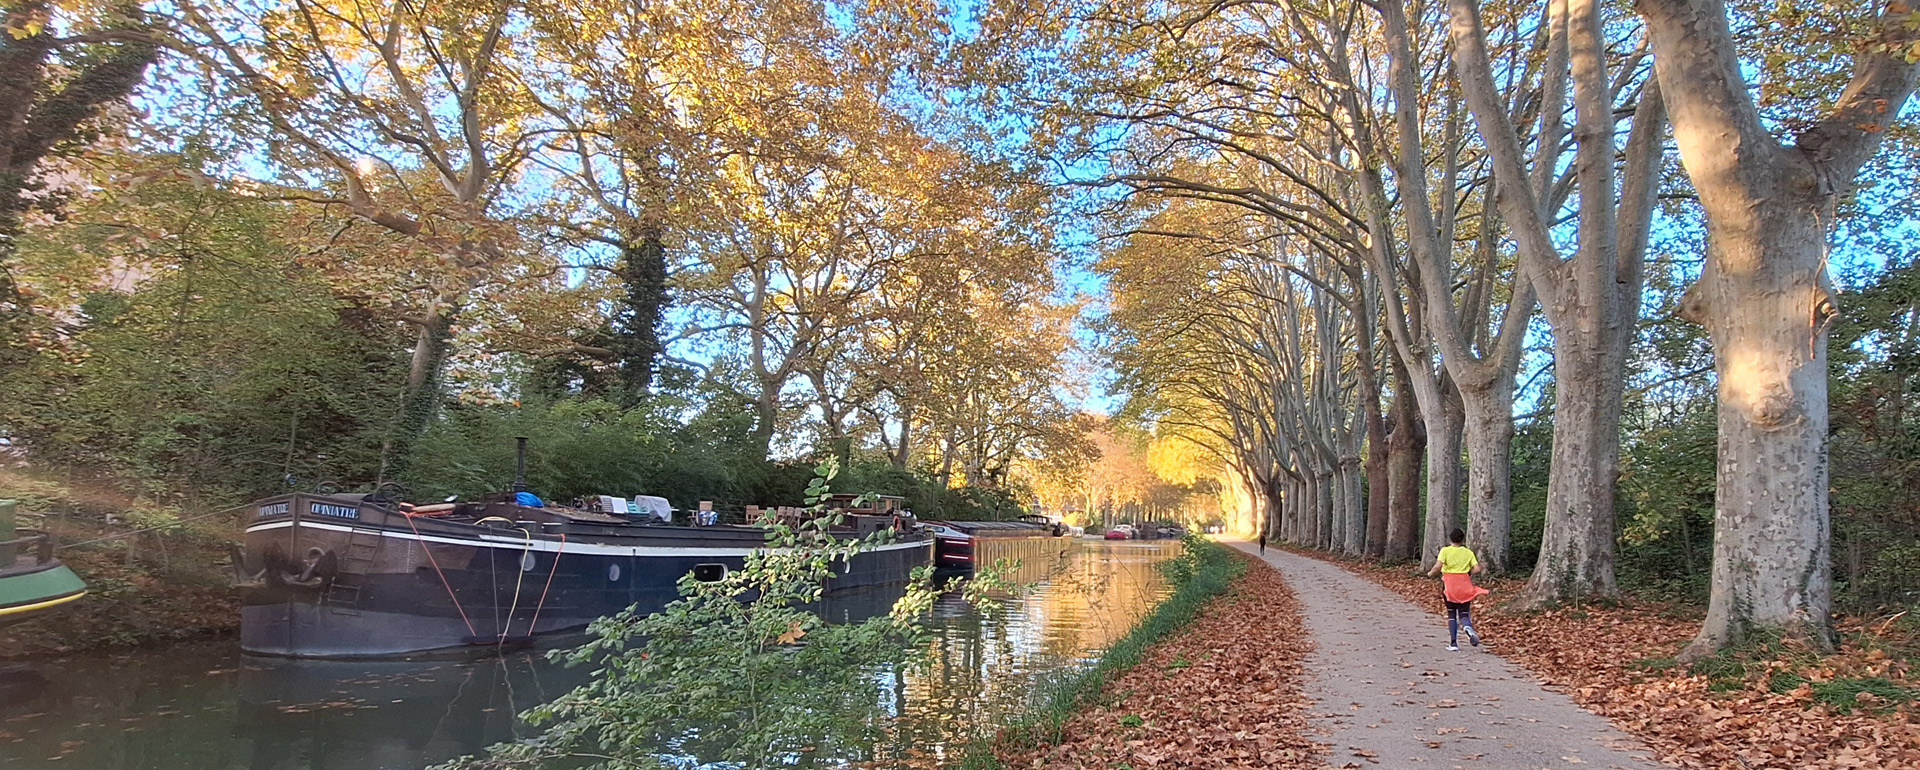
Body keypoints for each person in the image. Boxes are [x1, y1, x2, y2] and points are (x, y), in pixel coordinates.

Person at [1426, 527, 1489, 651]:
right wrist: (1468, 573)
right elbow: (1477, 568)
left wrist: (1430, 573)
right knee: (1464, 613)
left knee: (1451, 614)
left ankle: (1453, 643)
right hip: (1464, 583)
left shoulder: (1445, 551)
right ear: (1462, 539)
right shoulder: (1468, 552)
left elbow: (1438, 566)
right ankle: (1468, 629)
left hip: (1449, 584)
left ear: (1450, 539)